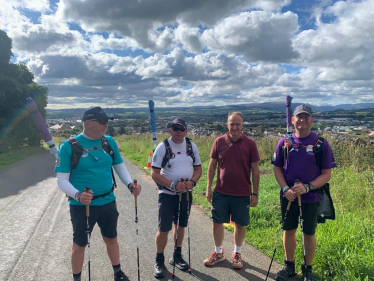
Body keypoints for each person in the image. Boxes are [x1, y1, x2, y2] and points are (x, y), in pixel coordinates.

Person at [54, 106, 142, 281]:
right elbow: (61, 180)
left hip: (108, 201)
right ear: (89, 123)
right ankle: (77, 278)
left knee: (111, 238)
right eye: (102, 122)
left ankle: (117, 272)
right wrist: (77, 194)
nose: (106, 125)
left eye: (107, 122)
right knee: (80, 244)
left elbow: (119, 166)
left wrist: (130, 184)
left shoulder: (108, 141)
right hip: (82, 205)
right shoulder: (68, 146)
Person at [271, 104, 336, 281]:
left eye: (306, 117)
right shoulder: (284, 142)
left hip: (311, 196)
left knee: (308, 232)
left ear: (311, 120)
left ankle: (307, 268)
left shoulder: (320, 144)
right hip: (289, 196)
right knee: (289, 229)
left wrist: (307, 187)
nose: (302, 120)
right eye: (299, 117)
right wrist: (285, 189)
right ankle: (289, 266)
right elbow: (277, 169)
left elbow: (326, 174)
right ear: (293, 120)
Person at [204, 112, 260, 270]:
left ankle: (237, 253)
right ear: (227, 125)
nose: (234, 127)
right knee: (217, 222)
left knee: (240, 224)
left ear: (242, 126)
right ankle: (218, 252)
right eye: (231, 124)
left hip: (242, 192)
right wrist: (208, 187)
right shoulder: (219, 141)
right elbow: (212, 165)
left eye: (238, 124)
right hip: (221, 190)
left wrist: (255, 193)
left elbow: (255, 170)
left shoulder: (250, 143)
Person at [151, 117, 202, 279]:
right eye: (176, 128)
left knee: (180, 226)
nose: (179, 132)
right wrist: (172, 185)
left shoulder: (191, 146)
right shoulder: (163, 147)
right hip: (167, 195)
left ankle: (176, 255)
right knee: (164, 228)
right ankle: (159, 260)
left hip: (186, 193)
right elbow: (154, 173)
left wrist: (192, 182)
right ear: (170, 130)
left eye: (182, 129)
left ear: (186, 131)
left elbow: (198, 168)